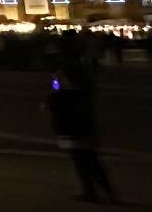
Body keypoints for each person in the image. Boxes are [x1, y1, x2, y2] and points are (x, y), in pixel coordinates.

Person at [47, 63, 118, 203]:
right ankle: (107, 192)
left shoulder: (63, 94)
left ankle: (90, 191)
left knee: (81, 163)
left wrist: (54, 84)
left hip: (70, 132)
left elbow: (51, 103)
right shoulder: (84, 92)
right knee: (92, 162)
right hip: (85, 131)